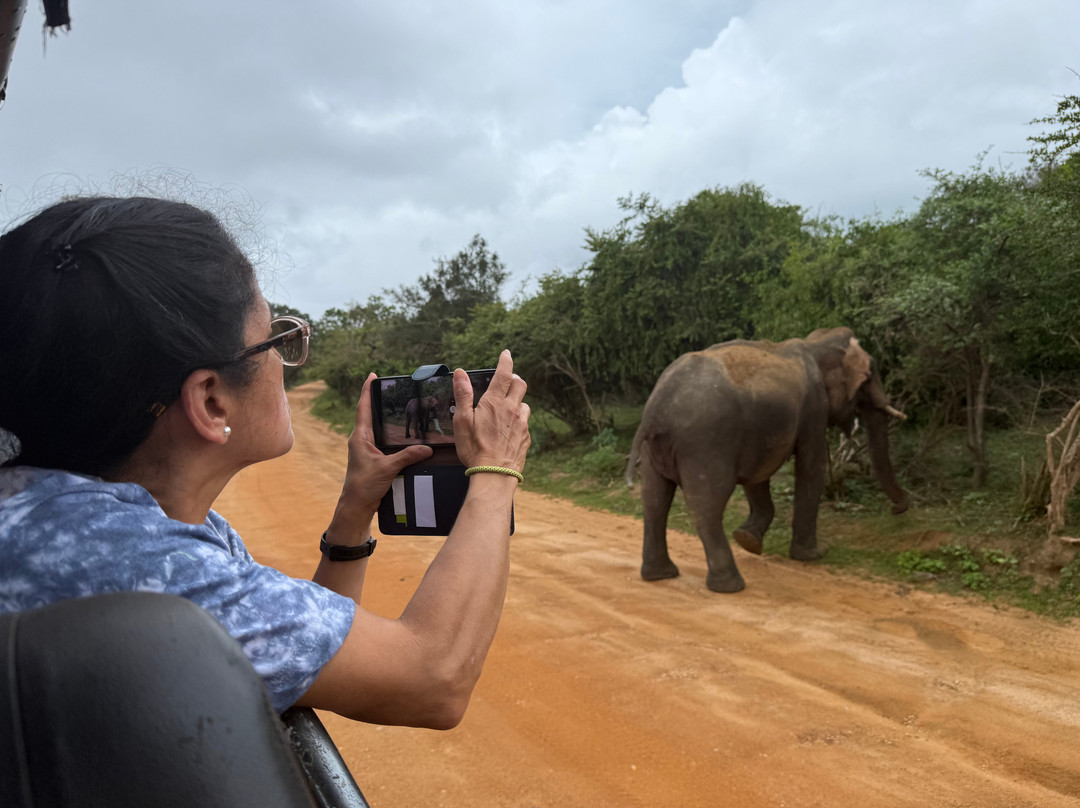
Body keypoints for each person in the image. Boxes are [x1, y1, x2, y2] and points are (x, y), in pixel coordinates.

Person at [0, 196, 530, 729]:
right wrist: (495, 469)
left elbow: (294, 653)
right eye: (276, 338)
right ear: (210, 401)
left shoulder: (90, 519)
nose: (285, 360)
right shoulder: (149, 571)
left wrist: (352, 513)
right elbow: (432, 678)